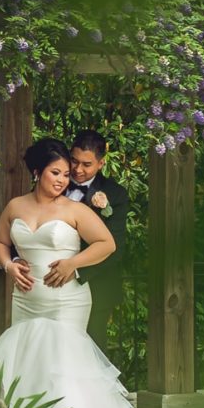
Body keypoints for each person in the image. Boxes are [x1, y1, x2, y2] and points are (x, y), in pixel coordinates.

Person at [0, 139, 192, 408]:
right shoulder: (15, 206)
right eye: (56, 173)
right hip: (26, 299)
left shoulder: (74, 209)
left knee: (63, 365)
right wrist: (8, 266)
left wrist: (72, 264)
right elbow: (0, 241)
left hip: (66, 300)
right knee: (27, 363)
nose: (63, 180)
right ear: (37, 172)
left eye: (66, 174)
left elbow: (107, 244)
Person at [65, 130, 131, 356]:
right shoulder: (52, 183)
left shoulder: (116, 194)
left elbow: (116, 249)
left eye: (86, 164)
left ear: (101, 163)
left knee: (91, 347)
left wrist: (74, 272)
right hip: (52, 284)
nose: (78, 169)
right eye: (74, 161)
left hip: (95, 283)